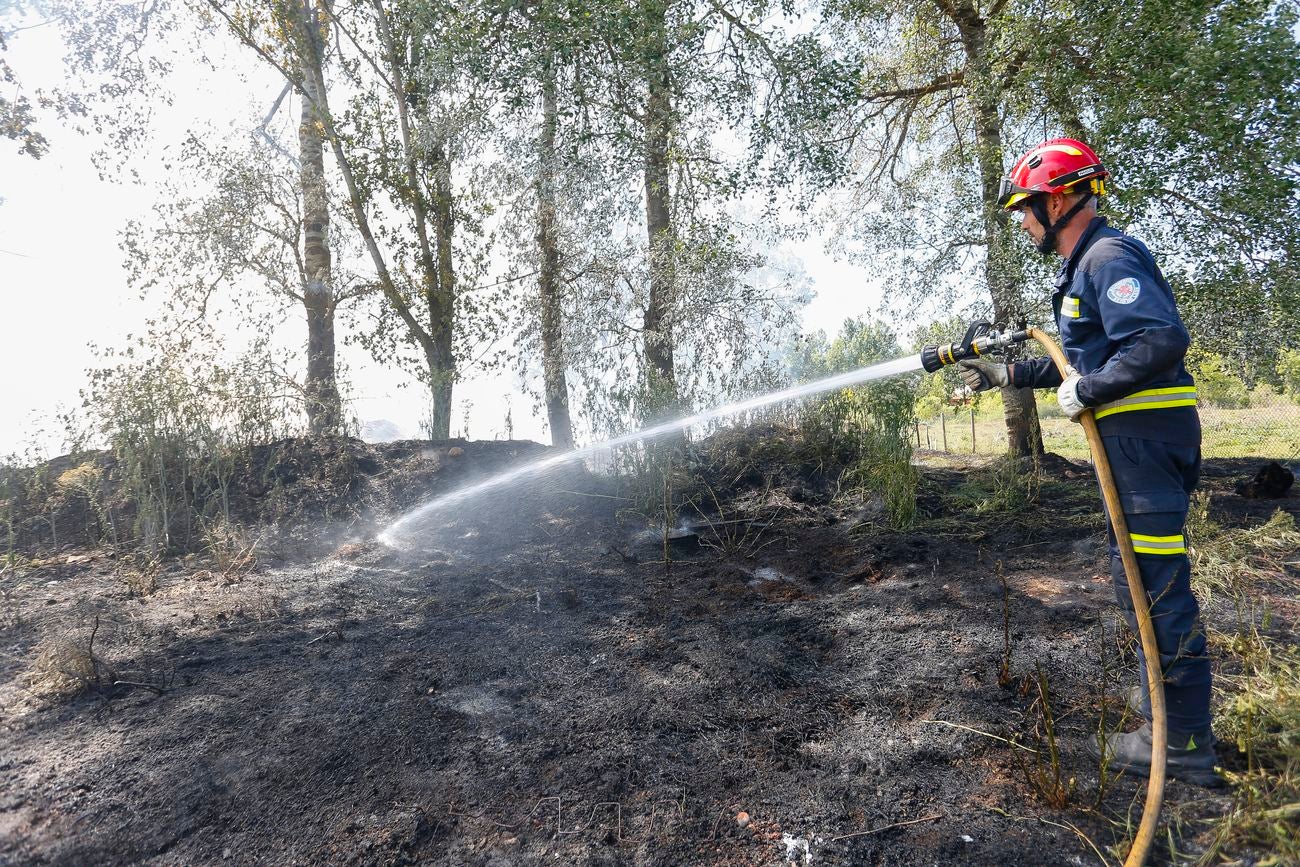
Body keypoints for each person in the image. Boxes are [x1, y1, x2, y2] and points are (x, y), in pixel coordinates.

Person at [957, 138, 1220, 787]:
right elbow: (1082, 361)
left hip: (1144, 443)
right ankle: (1161, 699)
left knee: (1154, 584)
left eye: (1025, 208)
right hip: (1135, 445)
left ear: (1060, 198)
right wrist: (1006, 373)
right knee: (1135, 574)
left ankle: (1181, 740)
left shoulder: (1108, 256)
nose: (1022, 222)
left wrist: (1091, 390)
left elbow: (1159, 340)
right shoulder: (1082, 271)